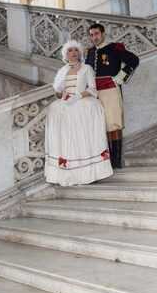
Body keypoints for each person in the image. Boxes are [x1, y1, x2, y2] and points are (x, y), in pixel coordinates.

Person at [44, 40, 113, 186]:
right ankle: (68, 173)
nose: (73, 53)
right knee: (66, 139)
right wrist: (62, 95)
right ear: (65, 54)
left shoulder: (86, 68)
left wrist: (78, 96)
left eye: (76, 50)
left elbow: (92, 89)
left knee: (82, 137)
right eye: (70, 50)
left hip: (82, 102)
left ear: (80, 53)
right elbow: (58, 91)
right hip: (65, 105)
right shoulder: (62, 71)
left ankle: (89, 172)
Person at [85, 23, 139, 169]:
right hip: (95, 93)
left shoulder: (115, 48)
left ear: (103, 34)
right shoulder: (90, 52)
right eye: (91, 35)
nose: (94, 37)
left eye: (96, 34)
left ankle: (116, 162)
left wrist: (120, 77)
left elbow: (134, 60)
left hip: (110, 91)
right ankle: (107, 161)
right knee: (101, 125)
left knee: (114, 125)